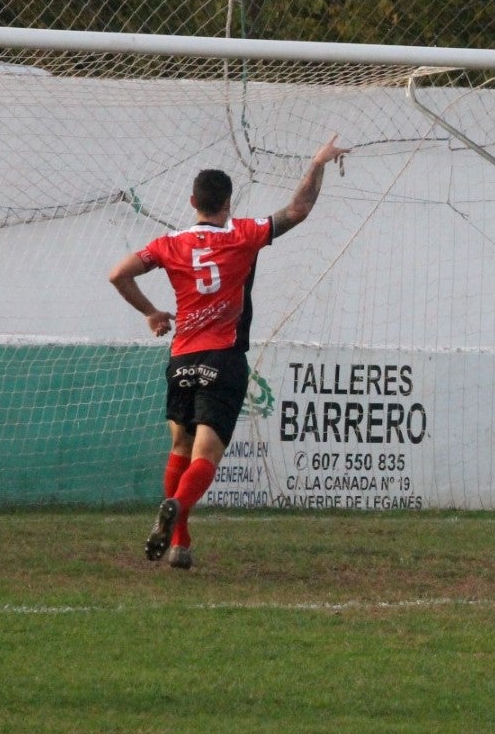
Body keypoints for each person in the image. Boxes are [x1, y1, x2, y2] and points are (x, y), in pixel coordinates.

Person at [108, 134, 351, 569]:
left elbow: (118, 275)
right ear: (228, 204)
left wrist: (151, 313)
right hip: (223, 358)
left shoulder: (168, 244)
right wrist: (317, 162)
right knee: (206, 455)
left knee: (180, 447)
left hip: (181, 358)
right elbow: (299, 210)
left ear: (191, 201)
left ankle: (180, 543)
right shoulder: (243, 234)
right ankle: (177, 513)